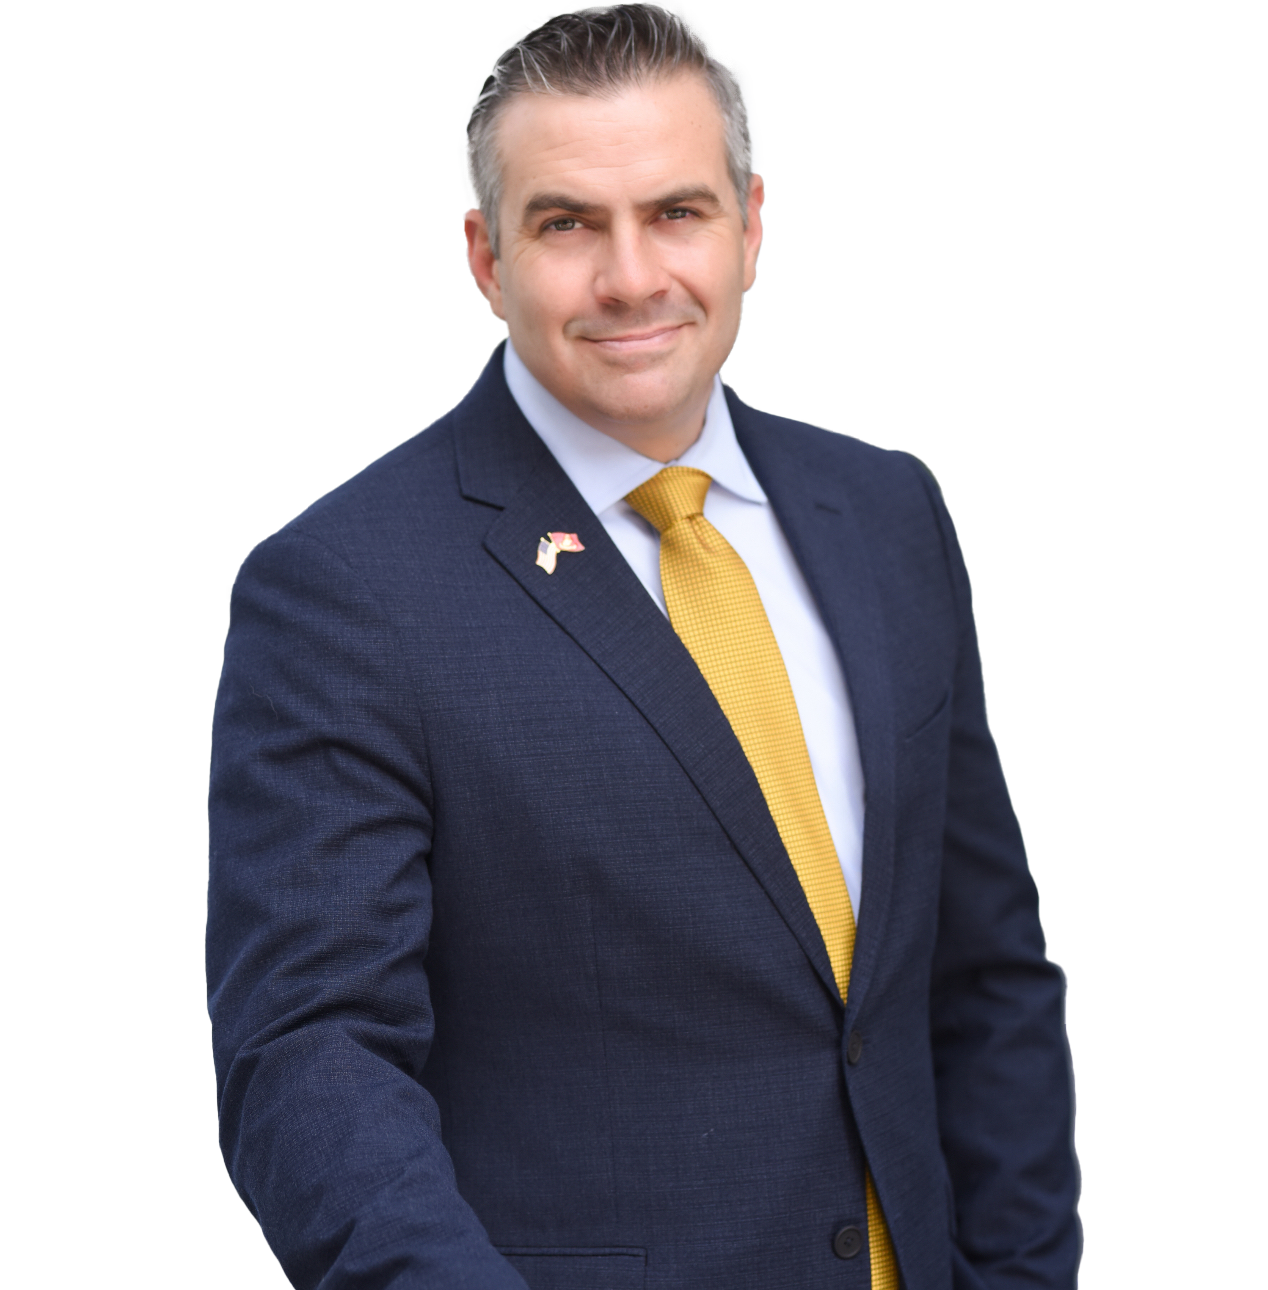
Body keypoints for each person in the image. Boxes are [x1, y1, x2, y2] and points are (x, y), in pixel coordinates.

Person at [206, 5, 1081, 1288]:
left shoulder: (889, 516)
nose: (632, 277)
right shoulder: (341, 590)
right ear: (482, 258)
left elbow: (982, 974)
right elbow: (310, 1059)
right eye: (567, 224)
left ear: (751, 223)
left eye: (677, 213)